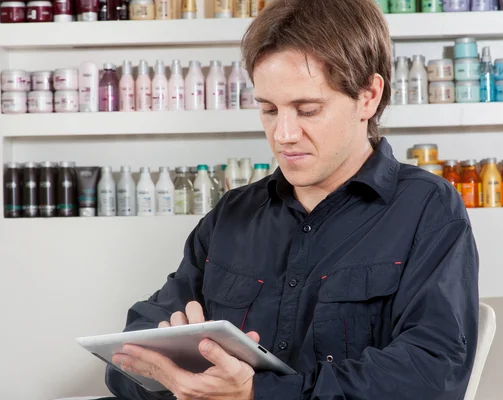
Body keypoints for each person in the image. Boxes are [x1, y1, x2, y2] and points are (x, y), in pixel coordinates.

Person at [107, 0, 479, 398]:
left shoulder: (427, 208)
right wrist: (168, 377)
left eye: (307, 110)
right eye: (268, 109)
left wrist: (256, 393)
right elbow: (132, 350)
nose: (283, 134)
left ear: (369, 96)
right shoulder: (233, 214)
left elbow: (430, 374)